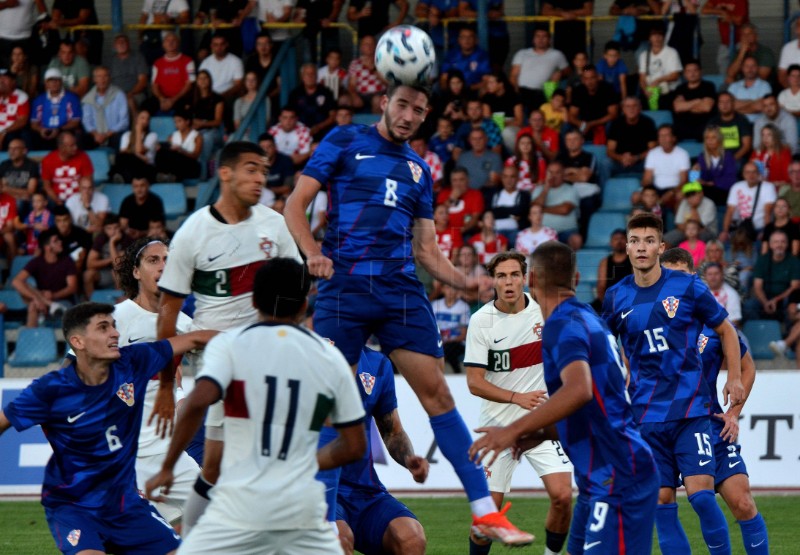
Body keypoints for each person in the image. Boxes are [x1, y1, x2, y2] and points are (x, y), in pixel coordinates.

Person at [284, 83, 535, 546]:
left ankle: (484, 512)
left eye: (418, 110)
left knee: (438, 394)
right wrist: (312, 251)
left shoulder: (420, 170)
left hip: (400, 291)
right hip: (346, 289)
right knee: (329, 400)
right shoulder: (342, 140)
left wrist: (467, 282)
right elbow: (294, 205)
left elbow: (426, 250)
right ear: (383, 102)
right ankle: (319, 521)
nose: (408, 116)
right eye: (402, 105)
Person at [146, 258, 367, 554]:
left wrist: (169, 465)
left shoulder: (231, 345)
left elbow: (197, 402)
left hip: (241, 506)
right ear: (304, 305)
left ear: (252, 301)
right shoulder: (329, 358)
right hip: (301, 511)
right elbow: (354, 446)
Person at [469, 240, 659, 555]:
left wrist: (512, 431)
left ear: (532, 280)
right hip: (609, 472)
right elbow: (595, 406)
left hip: (618, 477)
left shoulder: (560, 324)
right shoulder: (588, 316)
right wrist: (540, 433)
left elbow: (579, 389)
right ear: (575, 280)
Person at [155, 141, 302, 533]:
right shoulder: (193, 234)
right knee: (224, 467)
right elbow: (168, 313)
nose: (260, 179)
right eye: (252, 169)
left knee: (236, 465)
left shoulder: (273, 225)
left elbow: (296, 293)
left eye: (265, 171)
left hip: (270, 358)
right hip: (219, 362)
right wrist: (168, 384)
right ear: (225, 173)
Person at [0, 301, 215, 555]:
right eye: (103, 328)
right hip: (75, 506)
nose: (115, 333)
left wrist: (256, 339)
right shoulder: (50, 391)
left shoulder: (132, 362)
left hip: (127, 505)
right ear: (78, 342)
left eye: (114, 326)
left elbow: (195, 338)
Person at [601, 212, 744, 555]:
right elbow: (605, 346)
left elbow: (725, 329)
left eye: (649, 241)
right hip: (646, 415)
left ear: (660, 247)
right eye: (635, 240)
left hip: (690, 409)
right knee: (661, 500)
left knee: (701, 495)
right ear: (627, 246)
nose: (641, 247)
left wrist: (735, 377)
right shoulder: (616, 297)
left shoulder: (688, 286)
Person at [660, 248, 769, 555]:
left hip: (708, 423)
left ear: (692, 278)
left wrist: (734, 412)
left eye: (680, 276)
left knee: (743, 503)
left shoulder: (715, 322)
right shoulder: (650, 320)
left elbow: (748, 368)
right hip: (663, 425)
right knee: (667, 502)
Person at [464, 252, 573, 555]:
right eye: (501, 276)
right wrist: (516, 397)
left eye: (514, 275)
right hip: (498, 429)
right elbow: (474, 381)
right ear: (493, 281)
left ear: (524, 278)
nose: (508, 282)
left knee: (563, 497)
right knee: (487, 519)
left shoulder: (544, 312)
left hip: (541, 425)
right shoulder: (481, 321)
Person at [107, 238, 202, 531]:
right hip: (124, 456)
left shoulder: (183, 325)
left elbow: (231, 348)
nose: (163, 266)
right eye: (153, 260)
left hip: (168, 455)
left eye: (168, 261)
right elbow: (70, 374)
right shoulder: (113, 319)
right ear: (136, 272)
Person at [12, 228, 77, 327]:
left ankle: (47, 307)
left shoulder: (67, 261)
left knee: (33, 302)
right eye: (56, 241)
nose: (60, 242)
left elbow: (72, 287)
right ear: (47, 247)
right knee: (32, 300)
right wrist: (37, 298)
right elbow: (16, 281)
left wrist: (53, 295)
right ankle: (31, 338)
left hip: (64, 302)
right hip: (43, 301)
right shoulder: (37, 261)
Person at [743, 229, 800, 323]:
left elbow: (794, 287)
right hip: (765, 297)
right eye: (776, 242)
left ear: (787, 244)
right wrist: (765, 302)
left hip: (784, 298)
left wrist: (776, 300)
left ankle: (783, 335)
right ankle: (758, 330)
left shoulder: (794, 261)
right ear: (770, 244)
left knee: (791, 305)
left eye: (783, 242)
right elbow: (757, 286)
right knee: (750, 305)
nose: (779, 245)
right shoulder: (762, 260)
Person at [719, 161, 776, 243]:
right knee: (723, 240)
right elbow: (730, 211)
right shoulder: (736, 187)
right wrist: (725, 231)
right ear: (743, 174)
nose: (751, 175)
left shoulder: (768, 187)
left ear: (759, 173)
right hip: (741, 228)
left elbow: (768, 212)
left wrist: (766, 232)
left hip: (760, 228)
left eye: (754, 172)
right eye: (748, 172)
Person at [30, 69, 82, 150]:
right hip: (44, 131)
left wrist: (58, 129)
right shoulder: (39, 100)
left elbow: (75, 122)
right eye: (50, 81)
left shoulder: (72, 98)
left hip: (64, 130)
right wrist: (41, 130)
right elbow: (34, 123)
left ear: (61, 82)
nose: (54, 83)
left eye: (56, 80)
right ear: (46, 83)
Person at [81, 66, 130, 151]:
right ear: (94, 79)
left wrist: (107, 135)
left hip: (114, 134)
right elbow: (87, 121)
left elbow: (124, 121)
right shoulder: (88, 98)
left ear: (109, 78)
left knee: (123, 139)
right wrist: (96, 134)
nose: (102, 79)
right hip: (96, 135)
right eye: (99, 76)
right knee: (81, 139)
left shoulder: (119, 95)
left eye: (105, 76)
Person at [606, 96, 657, 176]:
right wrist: (621, 158)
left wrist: (636, 158)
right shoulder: (616, 123)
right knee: (605, 163)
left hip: (641, 161)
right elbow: (610, 151)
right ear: (623, 109)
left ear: (640, 108)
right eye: (628, 106)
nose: (631, 109)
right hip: (621, 162)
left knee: (654, 161)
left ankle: (648, 188)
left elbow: (652, 149)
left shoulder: (648, 123)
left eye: (634, 106)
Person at [40, 131, 94, 206]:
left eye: (75, 144)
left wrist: (82, 198)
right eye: (71, 146)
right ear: (61, 147)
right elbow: (47, 186)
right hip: (56, 199)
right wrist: (57, 200)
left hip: (79, 198)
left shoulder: (83, 157)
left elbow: (88, 181)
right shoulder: (48, 160)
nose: (75, 147)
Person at [672, 60, 717, 142]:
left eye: (695, 70)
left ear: (700, 72)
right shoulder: (680, 88)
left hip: (702, 126)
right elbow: (678, 107)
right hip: (683, 127)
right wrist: (697, 101)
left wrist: (686, 106)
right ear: (684, 74)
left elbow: (706, 108)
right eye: (689, 71)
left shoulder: (708, 86)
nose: (692, 74)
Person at [432, 283, 470, 374]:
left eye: (453, 288)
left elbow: (463, 334)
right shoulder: (435, 305)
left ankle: (455, 373)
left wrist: (447, 341)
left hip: (457, 342)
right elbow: (432, 328)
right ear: (442, 290)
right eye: (447, 288)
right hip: (438, 341)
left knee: (449, 349)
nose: (450, 291)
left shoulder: (463, 307)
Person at [593, 228, 632, 309]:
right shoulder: (605, 262)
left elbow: (636, 285)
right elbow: (601, 287)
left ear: (627, 242)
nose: (619, 241)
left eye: (622, 238)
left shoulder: (633, 261)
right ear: (610, 243)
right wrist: (608, 304)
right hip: (608, 301)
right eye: (616, 239)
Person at [0, 67, 30, 151]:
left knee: (14, 136)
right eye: (0, 78)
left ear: (13, 82)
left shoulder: (21, 96)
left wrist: (3, 132)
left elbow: (22, 121)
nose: (1, 81)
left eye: (5, 78)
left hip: (10, 132)